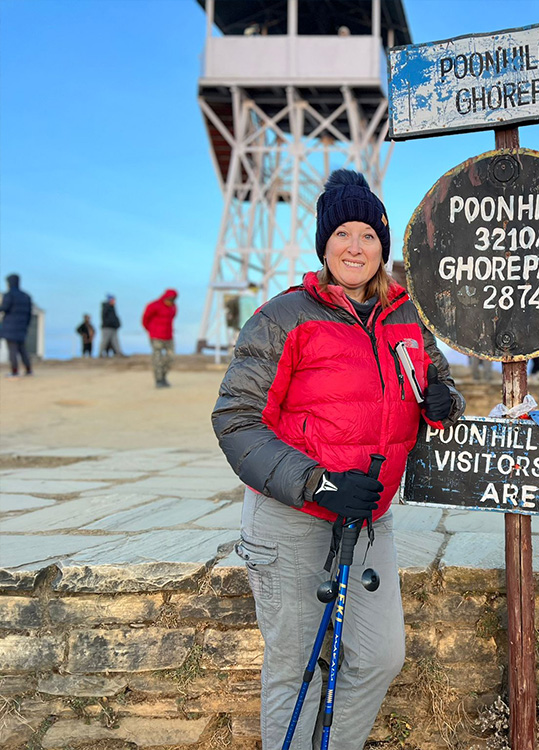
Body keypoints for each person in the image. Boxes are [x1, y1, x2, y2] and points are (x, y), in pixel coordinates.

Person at [212, 170, 465, 750]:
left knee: (379, 657)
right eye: (343, 234)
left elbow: (439, 389)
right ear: (325, 244)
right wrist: (316, 484)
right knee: (293, 667)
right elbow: (236, 420)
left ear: (384, 244)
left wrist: (442, 403)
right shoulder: (284, 317)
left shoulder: (407, 315)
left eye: (368, 235)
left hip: (370, 515)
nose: (356, 246)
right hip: (293, 514)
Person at [142, 289, 178, 388]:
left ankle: (163, 376)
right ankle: (158, 380)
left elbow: (173, 318)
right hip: (156, 337)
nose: (170, 302)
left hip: (168, 336)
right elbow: (145, 319)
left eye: (173, 300)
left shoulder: (173, 307)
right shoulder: (153, 305)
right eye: (169, 299)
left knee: (170, 358)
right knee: (157, 359)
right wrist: (151, 330)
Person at [0, 274, 33, 377]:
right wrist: (26, 325)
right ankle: (28, 370)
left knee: (12, 350)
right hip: (22, 327)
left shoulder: (9, 295)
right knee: (22, 349)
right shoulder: (26, 296)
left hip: (10, 327)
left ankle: (14, 371)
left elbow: (4, 308)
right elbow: (29, 314)